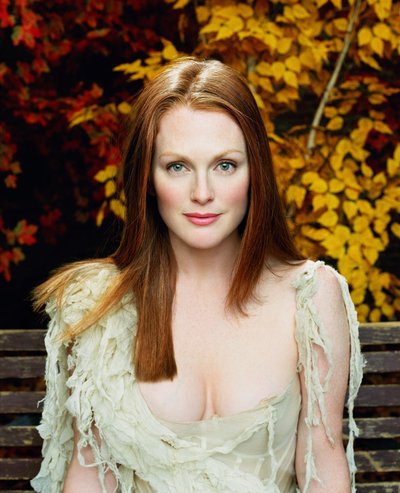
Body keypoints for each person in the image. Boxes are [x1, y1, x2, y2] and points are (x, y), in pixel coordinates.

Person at [31, 57, 364, 493]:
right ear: (148, 179)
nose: (202, 193)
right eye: (177, 166)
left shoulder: (311, 295)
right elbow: (90, 472)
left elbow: (322, 459)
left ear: (255, 172)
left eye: (225, 165)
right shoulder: (97, 304)